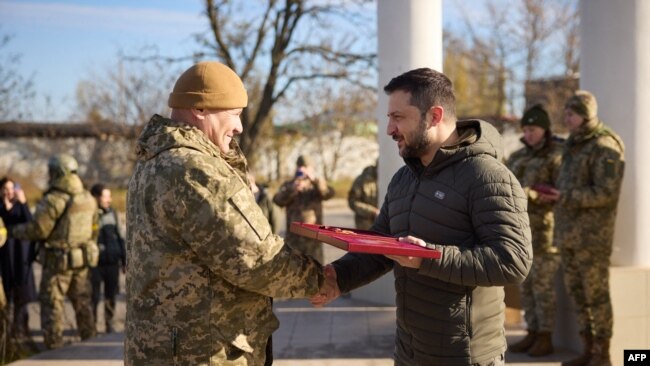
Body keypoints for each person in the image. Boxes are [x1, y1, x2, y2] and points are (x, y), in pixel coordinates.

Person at [312, 68, 533, 366]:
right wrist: (339, 278)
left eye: (398, 117)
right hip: (410, 351)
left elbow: (513, 261)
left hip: (465, 356)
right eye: (389, 118)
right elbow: (382, 247)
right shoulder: (404, 179)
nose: (390, 129)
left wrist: (429, 257)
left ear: (435, 115)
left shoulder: (487, 176)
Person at [125, 61, 326, 366]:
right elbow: (255, 259)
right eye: (233, 114)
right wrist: (322, 280)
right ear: (201, 109)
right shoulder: (193, 169)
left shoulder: (154, 160)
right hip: (201, 352)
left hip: (168, 346)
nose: (239, 126)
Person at [541, 90, 624, 366]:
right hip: (567, 234)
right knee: (578, 295)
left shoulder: (605, 146)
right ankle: (588, 350)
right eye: (565, 112)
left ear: (586, 115)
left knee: (596, 297)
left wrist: (564, 196)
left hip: (592, 238)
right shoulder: (572, 145)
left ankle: (604, 355)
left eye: (571, 113)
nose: (566, 117)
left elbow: (606, 193)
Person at [7, 154, 98, 349]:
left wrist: (13, 231)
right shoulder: (88, 198)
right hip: (82, 261)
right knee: (84, 308)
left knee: (52, 310)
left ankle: (55, 354)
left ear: (58, 172)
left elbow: (39, 230)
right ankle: (91, 347)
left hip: (57, 264)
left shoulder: (53, 200)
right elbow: (94, 229)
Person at [505, 105, 563, 357]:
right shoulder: (517, 157)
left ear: (545, 129)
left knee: (542, 287)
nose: (528, 134)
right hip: (520, 232)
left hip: (545, 233)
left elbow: (559, 192)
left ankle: (545, 336)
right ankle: (532, 332)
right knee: (526, 286)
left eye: (533, 129)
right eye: (526, 129)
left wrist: (530, 194)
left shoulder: (556, 156)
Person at [273, 155, 335, 263]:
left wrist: (315, 180)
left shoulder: (316, 184)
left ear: (312, 168)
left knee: (316, 271)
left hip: (314, 239)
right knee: (294, 272)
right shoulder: (290, 185)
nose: (303, 170)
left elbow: (328, 194)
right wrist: (292, 190)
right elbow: (277, 200)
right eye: (300, 166)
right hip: (293, 239)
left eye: (306, 167)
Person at [0, 178, 38, 345]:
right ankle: (6, 335)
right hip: (4, 258)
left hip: (21, 257)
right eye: (5, 189)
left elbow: (32, 225)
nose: (9, 192)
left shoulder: (21, 206)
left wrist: (23, 203)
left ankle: (21, 331)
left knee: (22, 296)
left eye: (11, 188)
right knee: (5, 298)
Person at [89, 183, 125, 334]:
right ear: (96, 198)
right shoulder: (90, 215)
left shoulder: (114, 214)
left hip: (112, 262)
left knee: (111, 295)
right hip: (95, 264)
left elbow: (121, 237)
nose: (108, 200)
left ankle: (108, 324)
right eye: (105, 196)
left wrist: (124, 260)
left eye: (109, 196)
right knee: (94, 296)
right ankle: (92, 327)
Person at [347, 163, 379, 230]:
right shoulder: (361, 180)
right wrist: (372, 211)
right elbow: (353, 202)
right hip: (365, 225)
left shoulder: (394, 178)